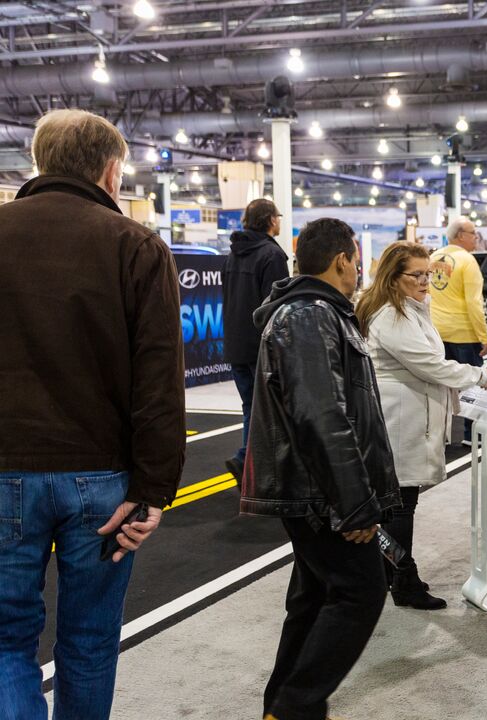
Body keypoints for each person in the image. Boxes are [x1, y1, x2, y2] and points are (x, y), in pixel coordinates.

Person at [0, 109, 185, 720]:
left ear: (39, 164)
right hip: (102, 483)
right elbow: (160, 378)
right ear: (110, 171)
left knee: (5, 643)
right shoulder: (135, 245)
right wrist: (154, 488)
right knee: (88, 642)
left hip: (3, 474)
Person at [240, 218, 400, 720]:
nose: (359, 271)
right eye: (356, 261)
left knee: (314, 598)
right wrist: (354, 505)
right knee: (361, 590)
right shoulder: (308, 316)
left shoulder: (318, 313)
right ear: (340, 261)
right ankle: (294, 708)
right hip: (320, 495)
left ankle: (283, 707)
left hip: (317, 489)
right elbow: (320, 413)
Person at [357, 242, 487, 610]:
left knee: (400, 504)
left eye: (429, 274)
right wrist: (479, 375)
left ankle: (394, 575)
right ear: (394, 277)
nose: (426, 281)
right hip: (400, 419)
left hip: (408, 414)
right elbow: (430, 364)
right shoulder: (391, 316)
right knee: (400, 505)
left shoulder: (409, 308)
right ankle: (401, 581)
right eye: (417, 275)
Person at [221, 198, 288, 481]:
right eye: (278, 217)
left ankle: (249, 462)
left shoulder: (233, 254)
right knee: (272, 410)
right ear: (271, 221)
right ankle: (250, 462)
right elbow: (278, 306)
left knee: (251, 406)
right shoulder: (272, 256)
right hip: (261, 345)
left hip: (235, 344)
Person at [429, 217, 487, 445]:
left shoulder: (433, 257)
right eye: (473, 232)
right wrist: (483, 337)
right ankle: (470, 435)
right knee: (472, 385)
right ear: (461, 235)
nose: (476, 237)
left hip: (437, 333)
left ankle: (441, 436)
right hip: (463, 333)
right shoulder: (467, 261)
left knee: (441, 386)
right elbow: (474, 303)